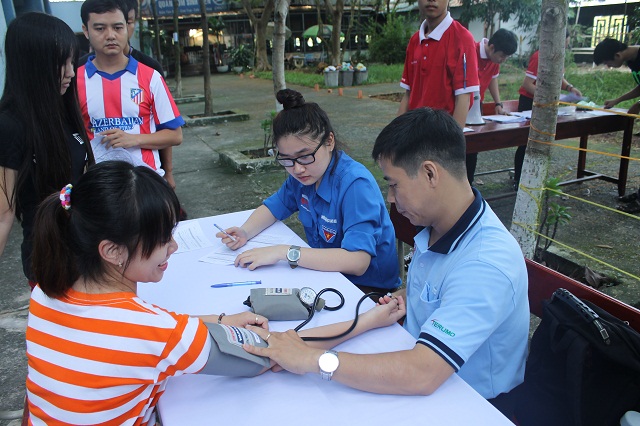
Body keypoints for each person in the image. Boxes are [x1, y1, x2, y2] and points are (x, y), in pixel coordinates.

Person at [244, 108, 530, 418]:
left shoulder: (485, 263)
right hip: (420, 360)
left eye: (394, 185)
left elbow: (422, 373)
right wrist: (406, 298)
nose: (390, 199)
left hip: (471, 403)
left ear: (430, 174)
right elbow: (438, 291)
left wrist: (313, 360)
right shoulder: (442, 225)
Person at [25, 161, 269, 424]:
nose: (173, 246)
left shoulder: (43, 293)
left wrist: (219, 321)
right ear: (113, 251)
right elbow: (257, 358)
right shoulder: (150, 330)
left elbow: (144, 329)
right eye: (162, 239)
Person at [216, 89, 401, 295]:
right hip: (327, 276)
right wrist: (245, 232)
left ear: (329, 141)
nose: (297, 169)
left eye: (305, 156)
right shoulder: (304, 177)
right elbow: (274, 207)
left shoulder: (355, 185)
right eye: (286, 159)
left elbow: (357, 261)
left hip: (367, 290)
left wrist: (284, 252)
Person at [0, 12, 95, 289]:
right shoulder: (10, 125)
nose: (71, 72)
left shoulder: (63, 107)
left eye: (72, 61)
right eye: (61, 63)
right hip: (51, 264)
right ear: (33, 64)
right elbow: (3, 214)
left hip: (88, 252)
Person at [76, 0, 183, 183]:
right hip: (99, 186)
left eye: (117, 27)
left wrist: (134, 139)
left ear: (127, 27)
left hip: (147, 183)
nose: (110, 35)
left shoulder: (151, 77)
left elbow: (175, 135)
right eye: (100, 28)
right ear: (86, 31)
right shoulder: (74, 80)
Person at [397, 0, 480, 184]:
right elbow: (408, 94)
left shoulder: (462, 38)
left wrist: (450, 150)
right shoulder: (415, 41)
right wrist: (395, 138)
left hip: (441, 141)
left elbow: (463, 98)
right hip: (413, 138)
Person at [514, 33, 583, 187]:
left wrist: (569, 88)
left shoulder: (558, 57)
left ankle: (535, 177)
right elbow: (527, 84)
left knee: (541, 140)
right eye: (563, 44)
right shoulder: (540, 56)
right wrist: (546, 96)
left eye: (566, 44)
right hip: (530, 102)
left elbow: (558, 78)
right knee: (526, 141)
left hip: (547, 103)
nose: (565, 47)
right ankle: (519, 179)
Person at [593, 38, 640, 213]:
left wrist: (638, 105)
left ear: (617, 55)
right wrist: (617, 100)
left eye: (608, 62)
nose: (608, 66)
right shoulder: (632, 61)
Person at [476, 28, 518, 114]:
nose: (504, 60)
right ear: (492, 48)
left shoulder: (494, 60)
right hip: (462, 100)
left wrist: (498, 103)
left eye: (507, 57)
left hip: (477, 103)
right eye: (502, 56)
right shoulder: (472, 51)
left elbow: (492, 79)